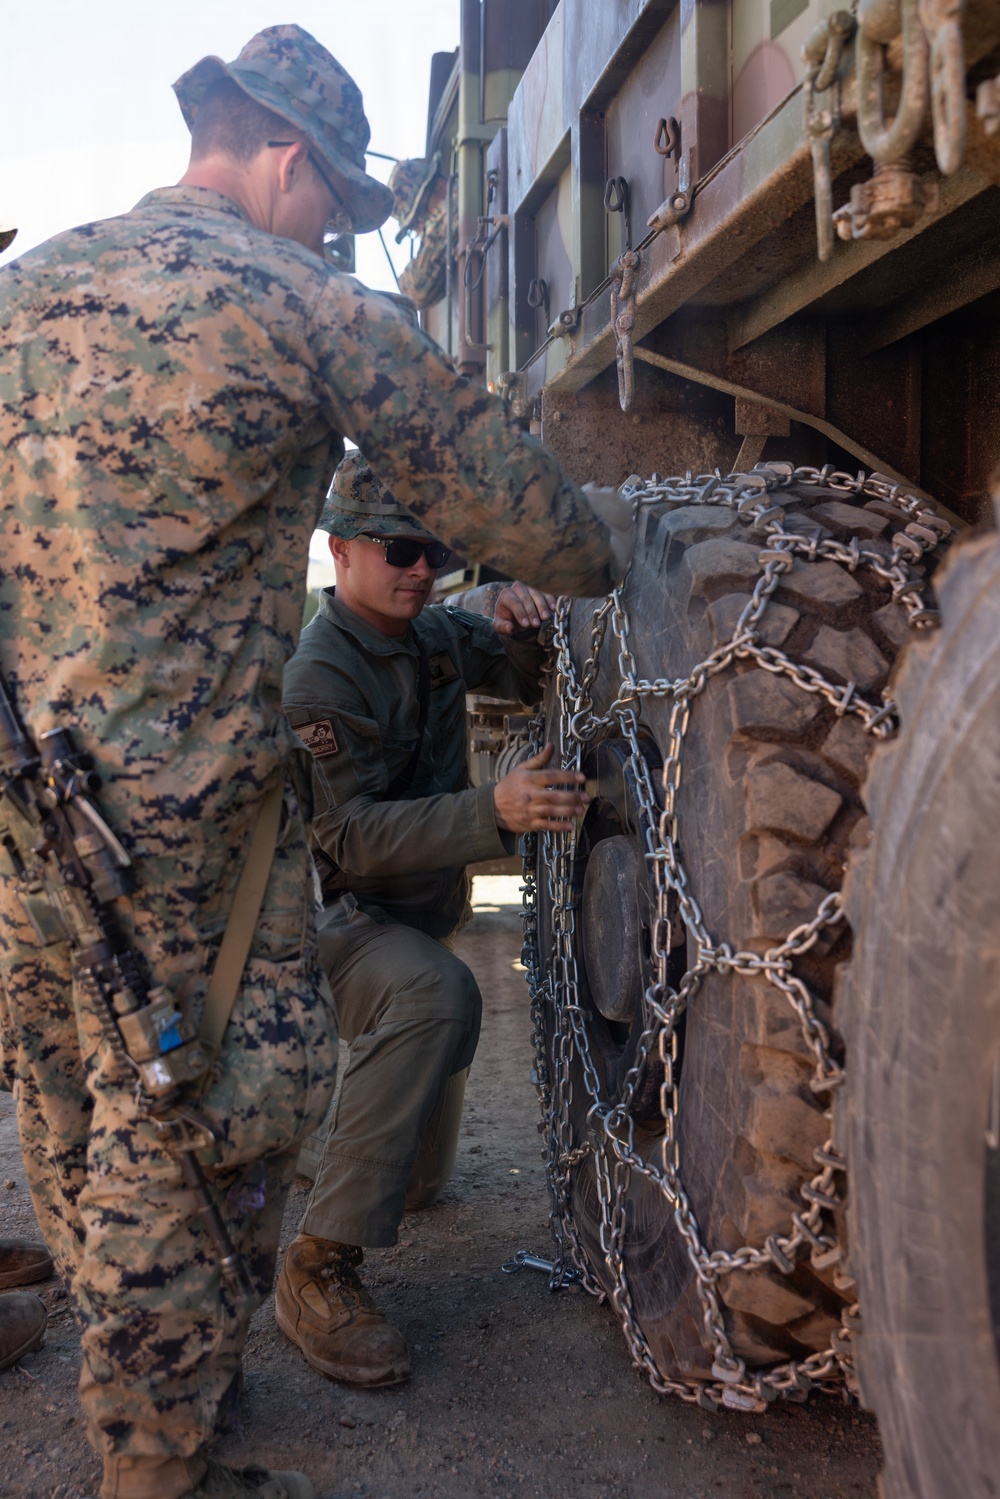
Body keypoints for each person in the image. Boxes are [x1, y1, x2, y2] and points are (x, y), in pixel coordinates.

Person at [0, 23, 615, 1499]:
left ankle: (133, 1369)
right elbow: (538, 521)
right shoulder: (296, 300)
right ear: (284, 159)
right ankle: (152, 1460)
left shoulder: (23, 290)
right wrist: (593, 555)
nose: (339, 225)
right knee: (200, 1119)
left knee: (66, 1091)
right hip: (177, 828)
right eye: (337, 198)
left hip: (25, 798)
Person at [275, 455, 587, 1387]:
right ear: (339, 551)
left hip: (410, 916)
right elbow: (353, 839)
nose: (422, 569)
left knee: (419, 1188)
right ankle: (316, 1265)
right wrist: (493, 808)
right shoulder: (318, 678)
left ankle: (316, 1145)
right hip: (336, 920)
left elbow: (534, 662)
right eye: (401, 548)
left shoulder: (432, 632)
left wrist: (525, 604)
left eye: (437, 552)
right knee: (435, 993)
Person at [389, 156, 449, 309]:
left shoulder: (456, 201)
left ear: (441, 186)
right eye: (414, 227)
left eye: (420, 217)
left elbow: (415, 291)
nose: (420, 230)